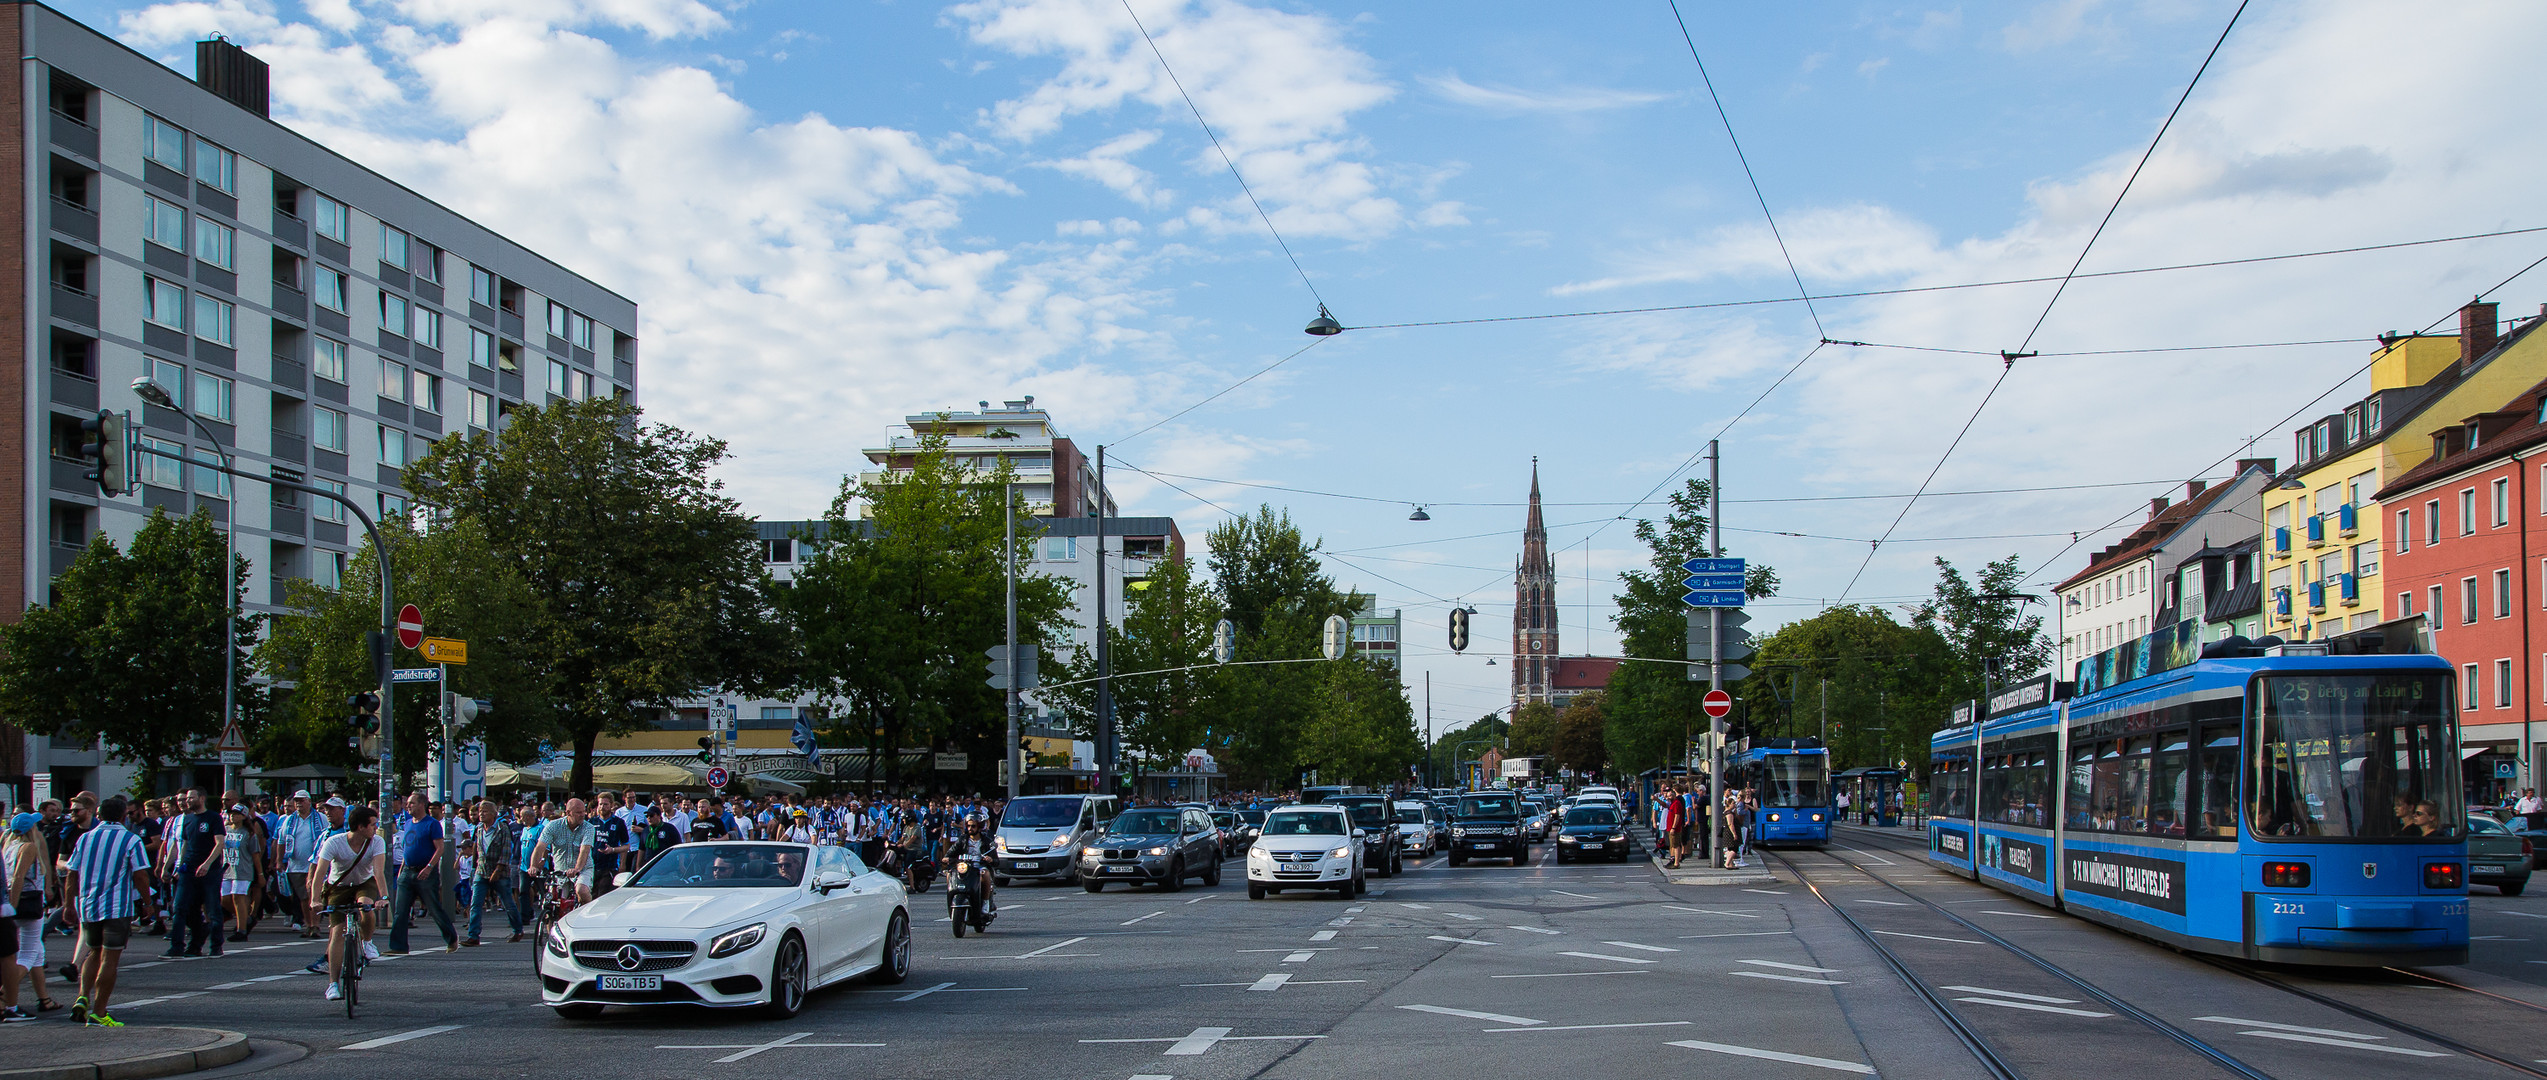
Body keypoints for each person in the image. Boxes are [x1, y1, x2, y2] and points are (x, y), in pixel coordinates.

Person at [62, 797, 155, 1026]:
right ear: (124, 816)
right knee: (110, 958)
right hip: (116, 906)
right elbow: (141, 875)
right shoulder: (130, 839)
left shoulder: (85, 838)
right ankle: (99, 1011)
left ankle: (82, 996)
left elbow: (71, 874)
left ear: (99, 815)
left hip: (88, 905)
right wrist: (148, 902)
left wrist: (68, 905)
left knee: (93, 951)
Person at [314, 807, 387, 1002]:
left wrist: (384, 896)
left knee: (366, 906)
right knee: (337, 932)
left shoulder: (376, 841)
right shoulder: (334, 842)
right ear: (361, 827)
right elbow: (320, 872)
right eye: (372, 824)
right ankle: (333, 984)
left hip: (365, 882)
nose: (376, 828)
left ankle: (367, 942)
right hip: (339, 886)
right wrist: (314, 899)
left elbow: (379, 872)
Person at [3, 813, 58, 1020]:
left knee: (37, 954)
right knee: (28, 953)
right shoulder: (28, 847)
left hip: (15, 903)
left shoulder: (8, 846)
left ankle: (44, 999)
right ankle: (5, 996)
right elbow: (19, 877)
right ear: (31, 829)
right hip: (27, 903)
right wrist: (12, 907)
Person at [386, 793, 457, 955]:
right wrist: (403, 869)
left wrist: (429, 867)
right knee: (401, 910)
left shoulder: (431, 824)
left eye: (412, 803)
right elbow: (407, 849)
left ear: (421, 805)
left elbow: (440, 848)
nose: (408, 806)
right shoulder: (409, 823)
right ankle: (398, 946)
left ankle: (451, 938)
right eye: (408, 803)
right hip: (408, 871)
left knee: (434, 908)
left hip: (425, 872)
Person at [165, 789, 226, 958]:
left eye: (191, 797)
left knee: (213, 909)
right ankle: (177, 946)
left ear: (201, 798)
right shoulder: (187, 819)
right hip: (189, 870)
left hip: (210, 871)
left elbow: (219, 842)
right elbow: (184, 844)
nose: (188, 801)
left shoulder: (213, 818)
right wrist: (179, 866)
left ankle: (216, 946)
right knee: (180, 907)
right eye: (186, 798)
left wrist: (207, 863)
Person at [464, 802, 518, 947]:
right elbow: (477, 847)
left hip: (499, 872)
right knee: (475, 904)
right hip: (481, 871)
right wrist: (475, 865)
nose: (481, 814)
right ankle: (473, 935)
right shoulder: (479, 828)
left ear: (494, 814)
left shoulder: (503, 828)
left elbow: (506, 852)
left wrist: (498, 871)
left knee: (508, 903)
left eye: (485, 811)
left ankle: (518, 930)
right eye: (480, 811)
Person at [529, 798, 598, 903]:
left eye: (583, 811)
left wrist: (577, 869)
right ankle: (549, 918)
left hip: (582, 869)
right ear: (568, 813)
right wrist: (533, 866)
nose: (582, 815)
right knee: (553, 900)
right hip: (561, 871)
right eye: (578, 812)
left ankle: (586, 916)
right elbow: (540, 847)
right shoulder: (553, 826)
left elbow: (584, 850)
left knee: (582, 890)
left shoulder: (588, 828)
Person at [219, 805, 259, 943]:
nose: (233, 816)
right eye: (231, 814)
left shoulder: (249, 833)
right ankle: (246, 918)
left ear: (243, 816)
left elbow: (255, 855)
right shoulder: (225, 830)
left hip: (243, 869)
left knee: (238, 897)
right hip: (227, 869)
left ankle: (241, 930)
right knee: (225, 898)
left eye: (236, 814)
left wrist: (260, 873)